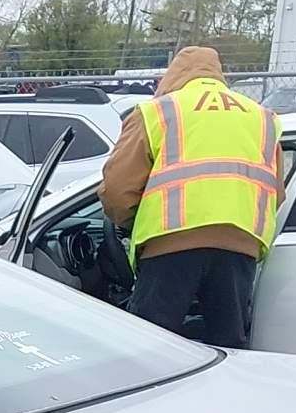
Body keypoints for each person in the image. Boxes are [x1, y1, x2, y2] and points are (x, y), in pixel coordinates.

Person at [98, 45, 283, 348]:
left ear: (172, 76)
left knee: (150, 347)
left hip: (170, 244)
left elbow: (117, 191)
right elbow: (276, 191)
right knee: (229, 347)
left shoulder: (157, 111)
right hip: (241, 245)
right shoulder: (263, 117)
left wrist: (134, 224)